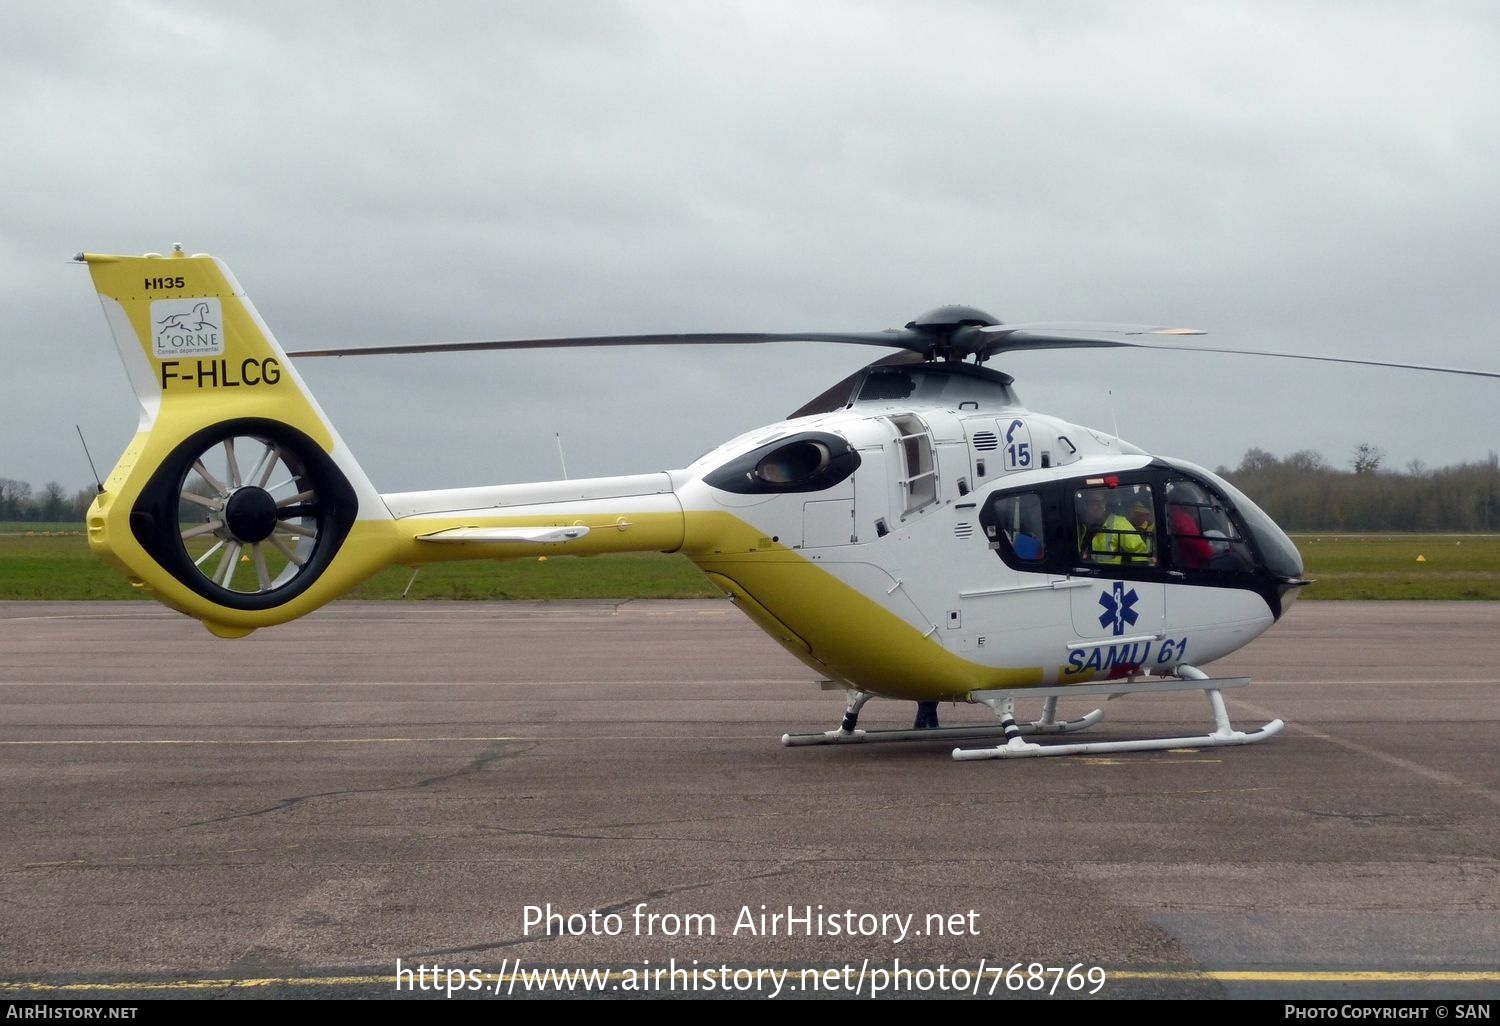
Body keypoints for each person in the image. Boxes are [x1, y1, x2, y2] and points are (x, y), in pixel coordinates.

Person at [1076, 491, 1149, 564]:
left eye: (1103, 501)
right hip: (1078, 573)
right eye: (1095, 502)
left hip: (1108, 574)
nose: (1101, 505)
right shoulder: (1077, 524)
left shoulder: (1119, 523)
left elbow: (1141, 554)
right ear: (1085, 505)